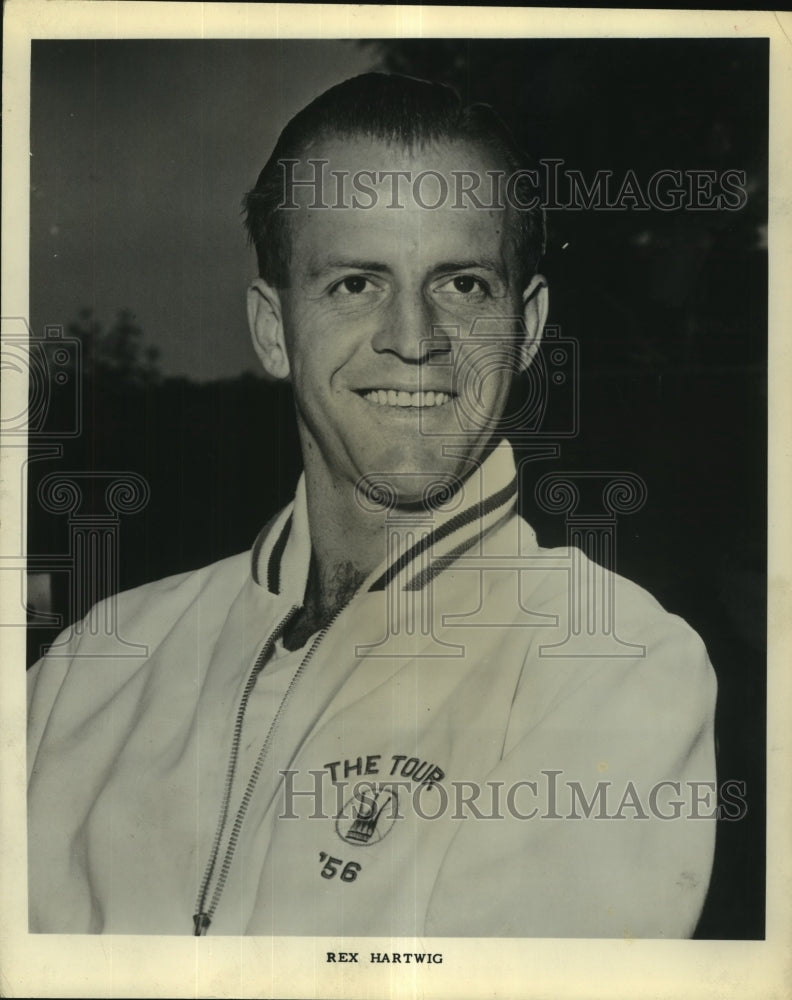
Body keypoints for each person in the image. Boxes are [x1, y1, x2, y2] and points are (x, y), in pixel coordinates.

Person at [27, 73, 717, 938]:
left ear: (528, 328)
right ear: (275, 330)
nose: (415, 337)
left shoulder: (615, 664)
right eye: (356, 283)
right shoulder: (90, 666)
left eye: (463, 284)